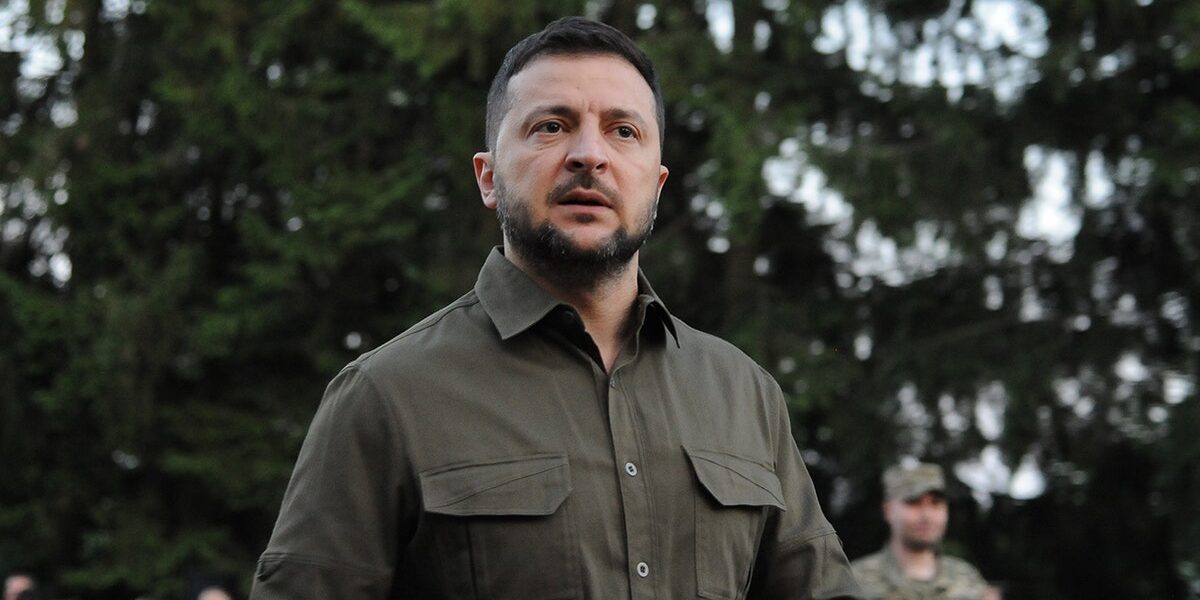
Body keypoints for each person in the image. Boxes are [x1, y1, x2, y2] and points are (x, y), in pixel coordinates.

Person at [251, 16, 862, 599]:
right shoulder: (385, 397)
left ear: (656, 185)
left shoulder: (745, 396)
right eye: (551, 126)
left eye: (624, 131)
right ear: (488, 177)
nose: (590, 154)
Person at [851, 463, 990, 600]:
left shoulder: (968, 580)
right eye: (914, 502)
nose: (927, 515)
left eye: (936, 503)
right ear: (888, 511)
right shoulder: (855, 582)